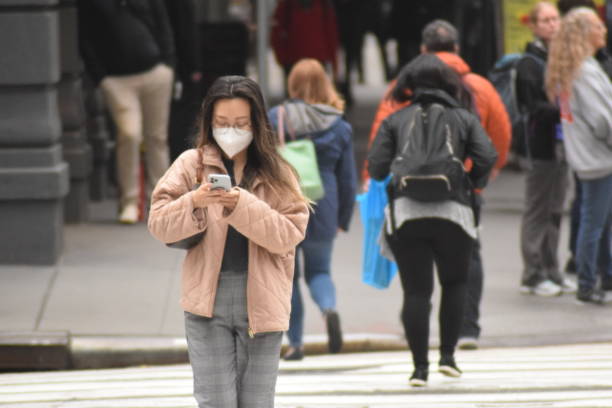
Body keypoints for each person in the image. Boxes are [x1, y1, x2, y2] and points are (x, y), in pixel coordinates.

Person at [148, 76, 310, 407]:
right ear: (209, 122)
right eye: (222, 123)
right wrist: (194, 200)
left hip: (262, 300)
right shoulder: (191, 165)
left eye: (240, 123)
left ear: (257, 124)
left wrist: (241, 205)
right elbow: (159, 224)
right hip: (207, 298)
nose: (230, 131)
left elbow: (289, 235)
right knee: (215, 401)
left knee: (256, 402)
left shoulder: (278, 171)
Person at [363, 19, 511, 351]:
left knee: (416, 289)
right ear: (456, 49)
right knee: (464, 269)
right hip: (458, 198)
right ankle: (463, 335)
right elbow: (498, 137)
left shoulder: (397, 99)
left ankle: (419, 359)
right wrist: (476, 182)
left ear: (421, 51)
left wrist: (376, 178)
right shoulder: (477, 90)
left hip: (406, 202)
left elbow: (377, 158)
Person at [268, 59, 358, 360]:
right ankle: (328, 308)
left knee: (288, 277)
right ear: (325, 85)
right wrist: (343, 217)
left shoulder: (276, 118)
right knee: (320, 271)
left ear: (292, 84)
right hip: (325, 202)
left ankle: (295, 343)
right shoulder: (340, 125)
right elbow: (348, 178)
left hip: (285, 204)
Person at [78, 0, 175, 224]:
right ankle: (129, 201)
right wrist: (101, 78)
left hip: (155, 73)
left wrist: (168, 64)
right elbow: (85, 39)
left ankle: (161, 201)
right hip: (117, 79)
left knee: (157, 138)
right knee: (129, 134)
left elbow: (164, 24)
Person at [545, 7, 612, 304]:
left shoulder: (572, 69)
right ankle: (588, 282)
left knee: (595, 220)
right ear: (586, 34)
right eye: (599, 26)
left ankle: (601, 276)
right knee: (594, 223)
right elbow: (601, 120)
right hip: (599, 157)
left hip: (585, 156)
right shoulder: (585, 71)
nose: (604, 31)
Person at [515, 2, 576, 297]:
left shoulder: (561, 57)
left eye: (556, 19)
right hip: (541, 144)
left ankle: (551, 268)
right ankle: (533, 272)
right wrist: (562, 108)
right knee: (538, 208)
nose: (553, 25)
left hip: (562, 142)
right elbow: (531, 108)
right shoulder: (530, 63)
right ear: (535, 26)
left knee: (555, 208)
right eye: (547, 21)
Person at [164, 0, 204, 161]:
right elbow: (186, 31)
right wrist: (194, 66)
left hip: (167, 64)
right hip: (179, 68)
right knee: (179, 124)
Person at [270, 0, 340, 85]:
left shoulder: (323, 4)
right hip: (297, 62)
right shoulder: (287, 5)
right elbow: (276, 33)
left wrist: (282, 58)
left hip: (309, 62)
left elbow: (331, 34)